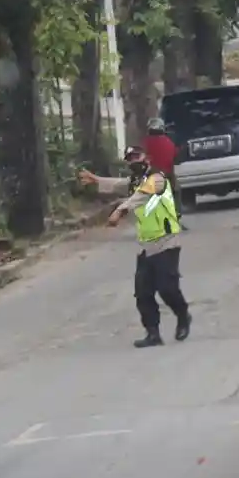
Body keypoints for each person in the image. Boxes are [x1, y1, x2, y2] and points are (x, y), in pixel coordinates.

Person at [79, 147, 191, 348]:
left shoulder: (157, 179)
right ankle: (153, 334)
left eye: (136, 157)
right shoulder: (135, 182)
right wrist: (96, 180)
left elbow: (140, 196)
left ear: (146, 158)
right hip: (146, 246)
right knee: (143, 293)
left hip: (167, 242)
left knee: (167, 289)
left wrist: (120, 210)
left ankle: (183, 316)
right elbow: (119, 185)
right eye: (129, 159)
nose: (133, 162)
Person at [142, 117, 184, 225]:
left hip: (151, 174)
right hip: (167, 174)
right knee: (177, 190)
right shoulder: (168, 141)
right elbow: (175, 155)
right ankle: (177, 214)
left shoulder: (146, 142)